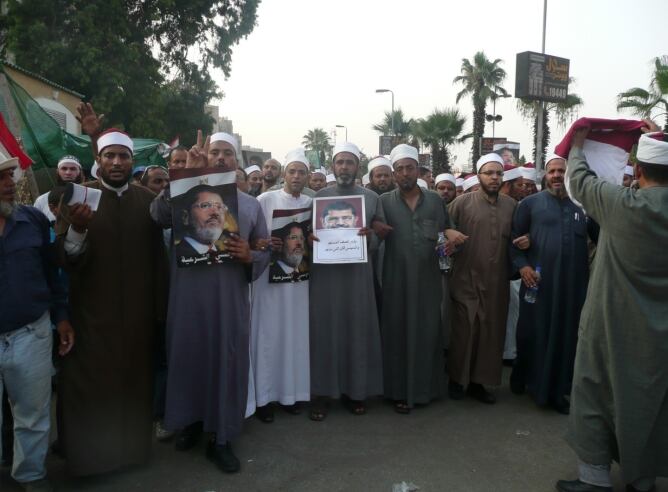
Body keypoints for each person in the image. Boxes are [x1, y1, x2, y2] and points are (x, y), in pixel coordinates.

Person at [556, 126, 668, 492]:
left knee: (594, 392)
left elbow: (581, 178)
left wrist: (576, 143)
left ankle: (594, 479)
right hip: (660, 338)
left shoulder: (621, 206)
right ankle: (644, 480)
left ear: (637, 170)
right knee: (652, 402)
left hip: (609, 324)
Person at [151, 131, 269, 473]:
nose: (219, 158)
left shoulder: (249, 205)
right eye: (214, 152)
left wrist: (250, 256)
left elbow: (263, 249)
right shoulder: (182, 196)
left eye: (227, 154)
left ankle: (222, 437)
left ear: (237, 163)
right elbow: (156, 216)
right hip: (186, 300)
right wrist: (183, 175)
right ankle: (189, 422)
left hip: (229, 302)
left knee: (226, 363)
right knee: (188, 359)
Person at [54, 128, 167, 476]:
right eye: (110, 156)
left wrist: (160, 315)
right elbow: (63, 259)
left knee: (133, 386)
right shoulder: (76, 198)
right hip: (91, 317)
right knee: (90, 390)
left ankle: (131, 455)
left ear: (133, 161)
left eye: (123, 156)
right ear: (99, 160)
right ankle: (90, 462)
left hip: (137, 317)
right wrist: (77, 230)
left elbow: (159, 261)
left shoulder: (147, 200)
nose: (117, 162)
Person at [0, 151, 73, 491]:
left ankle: (30, 476)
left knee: (32, 414)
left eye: (9, 175)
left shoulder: (32, 220)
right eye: (0, 178)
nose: (9, 184)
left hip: (31, 331)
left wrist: (61, 318)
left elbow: (52, 274)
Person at [378, 144, 464, 413]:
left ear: (419, 170)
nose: (405, 173)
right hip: (395, 280)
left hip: (428, 281)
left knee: (428, 332)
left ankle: (427, 390)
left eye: (409, 168)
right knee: (397, 334)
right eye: (399, 169)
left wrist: (451, 239)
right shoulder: (383, 202)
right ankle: (398, 391)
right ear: (394, 173)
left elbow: (445, 231)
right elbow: (369, 235)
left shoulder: (436, 201)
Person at [509, 155, 591, 415]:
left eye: (561, 171)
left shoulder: (583, 208)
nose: (556, 175)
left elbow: (604, 237)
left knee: (566, 336)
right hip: (537, 284)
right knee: (531, 332)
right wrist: (523, 266)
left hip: (572, 288)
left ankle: (556, 390)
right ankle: (524, 375)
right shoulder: (529, 204)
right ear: (545, 175)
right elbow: (513, 242)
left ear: (568, 175)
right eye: (552, 171)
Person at [309, 141, 384, 420]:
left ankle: (356, 392)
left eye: (349, 162)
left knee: (357, 330)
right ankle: (322, 393)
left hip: (358, 277)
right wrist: (311, 238)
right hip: (326, 277)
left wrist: (370, 236)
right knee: (324, 332)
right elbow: (307, 234)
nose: (344, 167)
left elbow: (380, 239)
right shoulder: (318, 198)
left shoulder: (371, 198)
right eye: (339, 162)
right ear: (332, 166)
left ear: (358, 167)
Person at [249, 148, 312, 424]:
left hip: (299, 283)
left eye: (302, 172)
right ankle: (264, 399)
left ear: (308, 175)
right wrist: (263, 243)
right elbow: (252, 237)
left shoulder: (312, 202)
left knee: (295, 336)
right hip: (268, 283)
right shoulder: (265, 199)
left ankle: (291, 394)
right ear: (284, 174)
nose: (296, 176)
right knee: (267, 336)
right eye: (292, 171)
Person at [447, 153, 516, 404]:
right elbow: (443, 228)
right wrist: (448, 235)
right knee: (465, 331)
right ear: (479, 176)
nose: (494, 177)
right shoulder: (461, 203)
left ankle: (478, 383)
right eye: (489, 173)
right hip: (466, 278)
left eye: (498, 173)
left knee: (490, 333)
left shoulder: (512, 206)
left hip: (497, 282)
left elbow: (518, 240)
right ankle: (456, 380)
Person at [174, 185, 234, 260]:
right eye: (205, 205)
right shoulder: (175, 255)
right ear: (186, 217)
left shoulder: (229, 253)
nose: (216, 212)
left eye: (220, 207)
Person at [33, 155, 83, 222]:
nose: (68, 173)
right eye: (64, 169)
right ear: (57, 172)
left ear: (79, 172)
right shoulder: (41, 200)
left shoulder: (90, 196)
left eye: (73, 169)